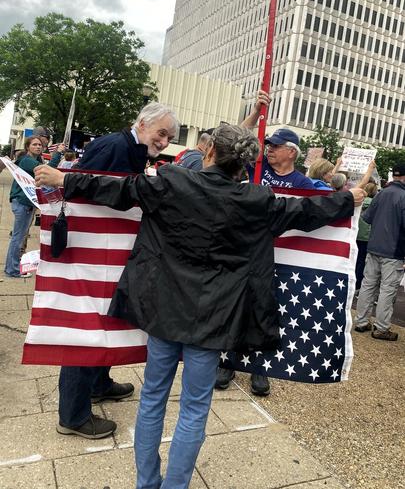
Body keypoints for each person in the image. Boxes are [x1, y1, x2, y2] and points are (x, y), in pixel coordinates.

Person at [35, 123, 364, 489]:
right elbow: (306, 212)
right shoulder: (256, 199)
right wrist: (350, 198)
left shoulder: (172, 180)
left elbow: (118, 189)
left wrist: (64, 179)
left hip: (164, 311)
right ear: (243, 165)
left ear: (209, 153)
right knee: (194, 407)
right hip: (214, 319)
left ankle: (148, 483)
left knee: (153, 399)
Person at [55, 101, 179, 441]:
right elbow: (83, 190)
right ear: (142, 123)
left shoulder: (130, 148)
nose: (165, 142)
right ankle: (73, 414)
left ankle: (98, 382)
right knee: (87, 326)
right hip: (93, 256)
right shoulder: (114, 146)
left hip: (109, 254)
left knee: (107, 319)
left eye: (169, 137)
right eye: (161, 133)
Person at [216, 94, 314, 397]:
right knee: (235, 305)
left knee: (269, 311)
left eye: (275, 146)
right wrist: (256, 112)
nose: (269, 149)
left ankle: (260, 367)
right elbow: (235, 140)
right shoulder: (256, 169)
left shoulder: (305, 185)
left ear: (292, 152)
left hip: (280, 257)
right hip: (245, 251)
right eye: (267, 145)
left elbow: (318, 212)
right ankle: (227, 361)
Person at [354, 162, 405, 341]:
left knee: (368, 285)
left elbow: (367, 218)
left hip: (374, 246)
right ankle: (382, 327)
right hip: (394, 250)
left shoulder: (381, 194)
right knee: (387, 289)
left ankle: (361, 321)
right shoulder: (403, 196)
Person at [4, 136, 63, 278]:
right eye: (34, 144)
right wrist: (58, 153)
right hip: (23, 203)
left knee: (19, 236)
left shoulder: (34, 161)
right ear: (28, 147)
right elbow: (48, 170)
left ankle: (13, 266)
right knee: (18, 237)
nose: (38, 147)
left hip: (26, 204)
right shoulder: (26, 161)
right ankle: (12, 270)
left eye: (40, 145)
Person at [355, 182, 378, 292]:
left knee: (355, 258)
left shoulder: (358, 201)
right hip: (367, 236)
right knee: (363, 261)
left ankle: (353, 281)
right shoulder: (375, 203)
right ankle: (359, 284)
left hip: (356, 234)